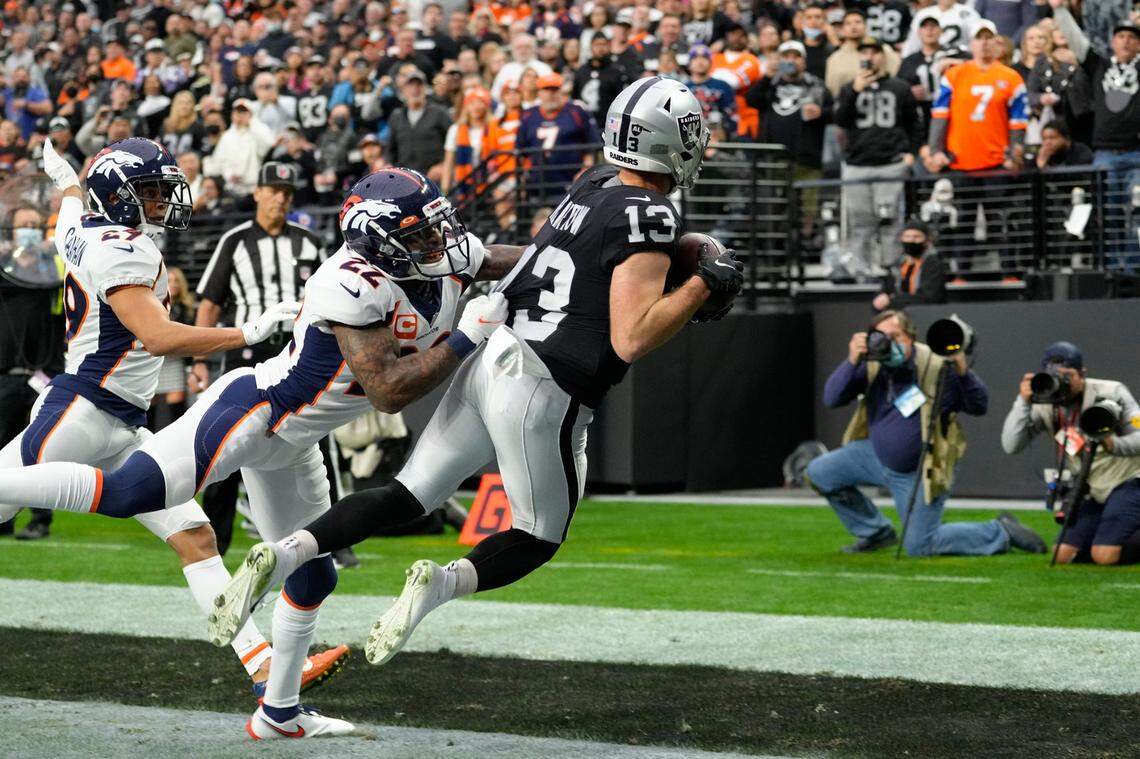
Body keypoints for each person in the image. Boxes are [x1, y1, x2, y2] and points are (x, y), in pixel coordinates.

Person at [214, 76, 743, 674]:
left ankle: (282, 553)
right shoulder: (651, 214)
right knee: (538, 535)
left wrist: (680, 270)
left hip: (495, 349)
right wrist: (702, 281)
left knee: (405, 494)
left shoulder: (593, 184)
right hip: (548, 384)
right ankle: (436, 587)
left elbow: (573, 263)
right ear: (671, 141)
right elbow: (632, 335)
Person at [0, 166, 527, 738]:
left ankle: (278, 712)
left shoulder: (440, 254)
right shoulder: (349, 282)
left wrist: (580, 254)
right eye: (420, 233)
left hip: (299, 442)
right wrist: (467, 335)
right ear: (380, 242)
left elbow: (521, 259)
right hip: (259, 411)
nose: (439, 242)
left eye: (435, 228)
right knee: (134, 493)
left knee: (314, 574)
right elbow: (389, 391)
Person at [0, 138, 348, 696]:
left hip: (120, 421)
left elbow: (68, 203)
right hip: (81, 410)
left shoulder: (82, 228)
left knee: (196, 537)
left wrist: (64, 176)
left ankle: (262, 666)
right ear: (119, 196)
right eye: (152, 191)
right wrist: (247, 332)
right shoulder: (122, 247)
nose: (164, 200)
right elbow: (158, 336)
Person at [807, 309, 1046, 556]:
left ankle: (1000, 530)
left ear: (910, 337)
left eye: (895, 336)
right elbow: (832, 398)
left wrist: (962, 370)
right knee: (819, 472)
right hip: (873, 457)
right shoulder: (872, 364)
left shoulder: (936, 363)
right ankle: (876, 533)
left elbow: (979, 405)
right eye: (882, 337)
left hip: (920, 468)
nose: (888, 343)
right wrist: (852, 361)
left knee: (920, 546)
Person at [190, 162, 327, 559]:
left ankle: (327, 537)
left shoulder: (309, 242)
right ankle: (216, 541)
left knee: (313, 438)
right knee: (227, 441)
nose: (281, 197)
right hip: (247, 351)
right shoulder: (234, 241)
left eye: (288, 191)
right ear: (258, 193)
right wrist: (201, 358)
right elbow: (210, 302)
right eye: (274, 189)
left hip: (300, 351)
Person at [1002, 342, 1140, 565]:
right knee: (1063, 554)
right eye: (1055, 376)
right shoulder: (1046, 404)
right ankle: (1107, 535)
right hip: (1093, 488)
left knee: (1104, 555)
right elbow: (1011, 445)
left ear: (1082, 374)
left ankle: (1108, 541)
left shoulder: (1111, 392)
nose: (1062, 383)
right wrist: (1022, 402)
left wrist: (1112, 443)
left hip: (1130, 481)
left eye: (1067, 376)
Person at [1050, 0, 1140, 265]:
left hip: (1137, 154)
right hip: (1105, 155)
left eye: (1132, 37)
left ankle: (1135, 268)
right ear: (1112, 42)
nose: (1125, 41)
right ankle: (1113, 269)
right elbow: (1077, 41)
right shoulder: (1099, 66)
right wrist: (1060, 11)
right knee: (1109, 213)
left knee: (1137, 209)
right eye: (1120, 36)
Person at [0, 205, 64, 540]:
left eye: (34, 225)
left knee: (38, 449)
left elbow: (65, 279)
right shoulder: (3, 267)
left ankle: (40, 518)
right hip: (5, 372)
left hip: (43, 372)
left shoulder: (51, 267)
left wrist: (43, 254)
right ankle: (3, 518)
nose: (29, 230)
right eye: (22, 225)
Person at [834, 38, 922, 270]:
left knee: (891, 220)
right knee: (860, 223)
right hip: (857, 164)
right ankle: (860, 271)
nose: (870, 57)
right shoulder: (848, 88)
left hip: (891, 163)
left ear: (883, 56)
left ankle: (891, 270)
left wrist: (911, 153)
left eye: (875, 52)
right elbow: (840, 121)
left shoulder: (899, 87)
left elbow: (914, 123)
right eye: (865, 52)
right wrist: (854, 91)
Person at [514, 72, 599, 204]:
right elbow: (521, 151)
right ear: (539, 92)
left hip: (572, 183)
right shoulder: (528, 115)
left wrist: (584, 171)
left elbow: (592, 147)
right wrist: (525, 177)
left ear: (562, 91)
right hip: (538, 183)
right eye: (546, 89)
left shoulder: (576, 112)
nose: (551, 94)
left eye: (555, 89)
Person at [385, 68, 452, 182]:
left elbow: (452, 143)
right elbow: (390, 149)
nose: (415, 89)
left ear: (425, 88)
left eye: (419, 85)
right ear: (403, 90)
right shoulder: (397, 116)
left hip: (433, 178)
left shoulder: (439, 113)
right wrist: (389, 166)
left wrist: (443, 165)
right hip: (405, 179)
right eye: (411, 85)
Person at [873, 219, 948, 310]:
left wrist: (893, 300)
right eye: (907, 236)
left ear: (926, 240)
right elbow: (886, 289)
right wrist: (882, 297)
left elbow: (929, 297)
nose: (911, 240)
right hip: (898, 314)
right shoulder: (897, 265)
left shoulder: (933, 263)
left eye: (916, 237)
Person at [825, 11, 901, 97]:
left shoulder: (884, 50)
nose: (853, 26)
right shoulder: (834, 59)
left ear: (865, 26)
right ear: (842, 29)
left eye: (858, 22)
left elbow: (897, 75)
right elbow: (832, 90)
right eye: (848, 23)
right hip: (848, 105)